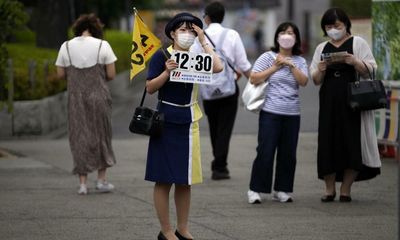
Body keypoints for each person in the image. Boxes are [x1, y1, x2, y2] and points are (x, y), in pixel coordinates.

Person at [145, 12, 223, 240]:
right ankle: (166, 230)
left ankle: (183, 228)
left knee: (184, 179)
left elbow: (218, 67)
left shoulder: (199, 55)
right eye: (183, 29)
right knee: (163, 178)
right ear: (172, 33)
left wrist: (202, 40)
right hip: (165, 120)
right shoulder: (162, 56)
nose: (187, 34)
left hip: (189, 122)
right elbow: (150, 87)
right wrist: (167, 72)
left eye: (192, 30)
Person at [310, 8, 381, 202]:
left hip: (353, 100)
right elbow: (315, 79)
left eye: (337, 25)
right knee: (328, 142)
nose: (333, 29)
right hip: (329, 100)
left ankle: (346, 190)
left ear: (346, 25)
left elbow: (371, 69)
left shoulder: (358, 43)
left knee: (351, 141)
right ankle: (329, 189)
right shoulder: (321, 47)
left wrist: (355, 61)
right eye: (329, 26)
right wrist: (321, 69)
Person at [55, 13, 117, 195]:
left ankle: (82, 184)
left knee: (79, 136)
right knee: (101, 135)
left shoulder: (65, 47)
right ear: (96, 29)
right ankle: (101, 180)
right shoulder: (103, 46)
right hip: (99, 96)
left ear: (77, 29)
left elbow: (60, 75)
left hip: (76, 99)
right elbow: (112, 75)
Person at [247, 22, 308, 204]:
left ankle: (282, 189)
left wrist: (290, 65)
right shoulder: (268, 56)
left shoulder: (300, 60)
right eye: (283, 32)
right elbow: (253, 77)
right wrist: (275, 66)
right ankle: (255, 189)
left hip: (292, 113)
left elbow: (304, 81)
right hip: (270, 112)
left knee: (288, 153)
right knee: (265, 150)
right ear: (277, 37)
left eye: (291, 33)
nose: (286, 35)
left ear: (296, 38)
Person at [195, 1, 252, 180]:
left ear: (207, 17)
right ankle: (220, 166)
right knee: (225, 128)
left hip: (207, 90)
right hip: (229, 89)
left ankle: (218, 162)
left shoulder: (199, 38)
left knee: (214, 127)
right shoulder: (232, 34)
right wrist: (255, 82)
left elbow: (194, 63)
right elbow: (243, 64)